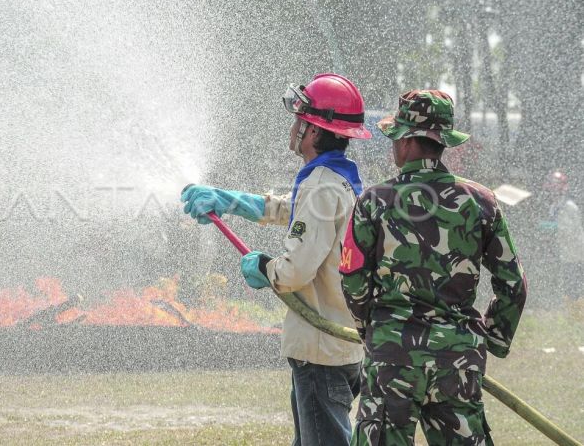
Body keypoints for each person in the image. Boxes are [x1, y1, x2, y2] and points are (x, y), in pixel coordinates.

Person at [182, 73, 372, 446]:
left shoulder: (321, 184)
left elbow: (295, 270)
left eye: (299, 120)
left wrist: (265, 268)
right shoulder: (340, 179)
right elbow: (299, 212)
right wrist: (232, 201)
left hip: (321, 351)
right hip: (339, 347)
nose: (294, 127)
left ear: (313, 131)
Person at [339, 89, 527, 445]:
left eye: (395, 137)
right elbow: (513, 284)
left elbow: (353, 278)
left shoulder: (375, 201)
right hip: (457, 360)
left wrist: (370, 331)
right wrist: (491, 339)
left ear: (408, 141)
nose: (393, 146)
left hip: (392, 357)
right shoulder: (481, 202)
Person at [539, 169, 584, 301]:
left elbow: (570, 231)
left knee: (574, 287)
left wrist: (551, 227)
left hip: (574, 255)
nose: (552, 190)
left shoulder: (569, 207)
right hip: (564, 253)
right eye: (551, 186)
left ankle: (576, 314)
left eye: (555, 186)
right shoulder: (554, 206)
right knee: (565, 284)